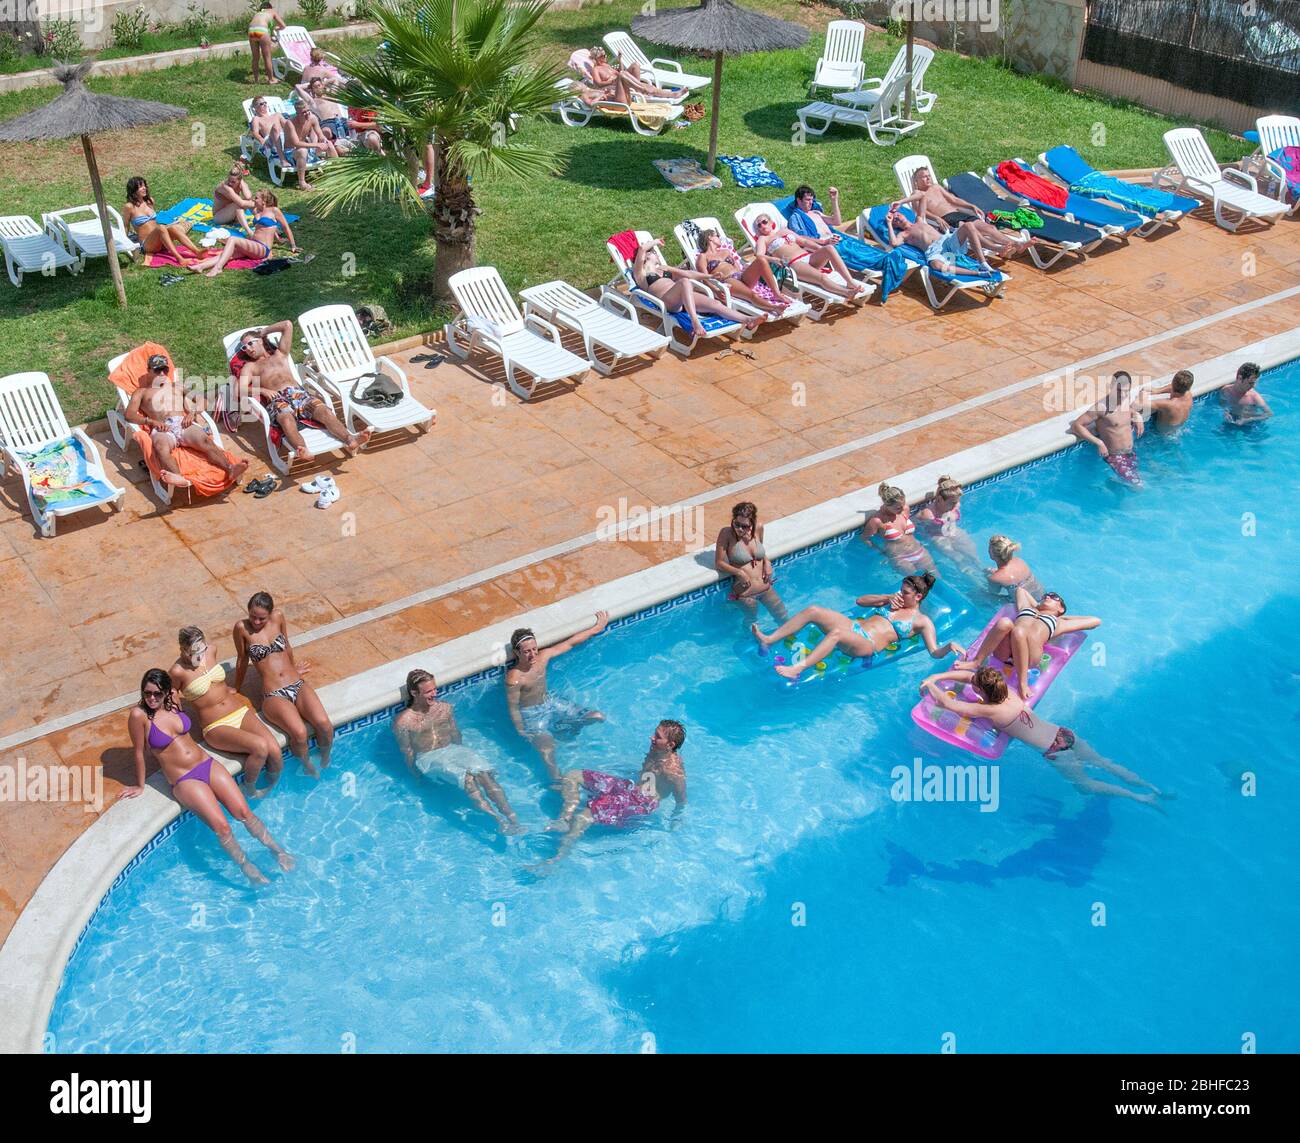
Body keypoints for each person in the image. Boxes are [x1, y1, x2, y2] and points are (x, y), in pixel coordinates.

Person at [126, 669, 294, 884]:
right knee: (222, 827)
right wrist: (139, 785)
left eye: (157, 694)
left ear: (167, 692)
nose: (151, 698)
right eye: (147, 693)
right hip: (185, 778)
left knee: (244, 812)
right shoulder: (139, 715)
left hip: (206, 764)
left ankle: (278, 851)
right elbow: (139, 751)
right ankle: (247, 867)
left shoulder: (174, 701)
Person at [919, 666, 1164, 805]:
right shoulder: (1011, 692)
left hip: (1055, 751)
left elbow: (950, 706)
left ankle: (1139, 797)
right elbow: (973, 675)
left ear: (982, 690)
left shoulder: (990, 709)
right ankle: (1150, 786)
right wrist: (941, 676)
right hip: (1064, 733)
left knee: (1085, 786)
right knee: (1103, 763)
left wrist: (932, 683)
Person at [750, 572, 962, 681]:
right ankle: (769, 639)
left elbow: (934, 652)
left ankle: (797, 669)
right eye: (900, 589)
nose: (900, 593)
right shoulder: (893, 600)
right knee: (814, 610)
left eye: (905, 592)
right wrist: (886, 598)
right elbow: (860, 601)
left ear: (918, 597)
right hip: (855, 626)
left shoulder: (922, 621)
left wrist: (948, 646)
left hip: (867, 645)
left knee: (837, 633)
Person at [535, 720, 688, 867]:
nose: (652, 737)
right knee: (573, 775)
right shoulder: (656, 750)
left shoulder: (673, 772)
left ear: (670, 745)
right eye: (654, 733)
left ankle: (556, 860)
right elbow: (647, 775)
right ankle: (563, 819)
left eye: (657, 736)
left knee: (582, 817)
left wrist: (674, 823)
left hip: (640, 803)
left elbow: (681, 800)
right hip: (628, 787)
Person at [393, 669, 525, 835]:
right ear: (414, 693)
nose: (434, 694)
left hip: (452, 749)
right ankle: (498, 821)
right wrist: (416, 776)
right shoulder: (403, 722)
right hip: (428, 758)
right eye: (428, 691)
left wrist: (464, 756)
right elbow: (407, 751)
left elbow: (455, 733)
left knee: (483, 773)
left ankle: (512, 818)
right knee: (468, 779)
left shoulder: (445, 709)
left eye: (434, 689)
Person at [230, 319, 371, 460]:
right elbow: (238, 390)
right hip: (277, 399)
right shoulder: (250, 367)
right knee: (286, 420)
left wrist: (264, 332)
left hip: (298, 394)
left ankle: (350, 440)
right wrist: (263, 391)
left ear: (260, 341)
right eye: (244, 348)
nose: (248, 349)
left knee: (324, 411)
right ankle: (303, 450)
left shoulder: (280, 354)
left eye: (250, 343)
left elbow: (287, 325)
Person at [169, 626, 284, 796]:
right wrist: (178, 727)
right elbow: (173, 700)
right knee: (260, 748)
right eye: (192, 653)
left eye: (201, 649)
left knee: (275, 751)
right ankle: (249, 790)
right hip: (216, 725)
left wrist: (231, 689)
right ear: (182, 650)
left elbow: (216, 683)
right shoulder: (177, 672)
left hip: (238, 711)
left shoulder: (211, 651)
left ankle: (276, 789)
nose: (199, 656)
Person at [233, 592, 334, 777]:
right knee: (300, 733)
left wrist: (293, 668)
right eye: (252, 616)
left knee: (325, 725)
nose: (255, 622)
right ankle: (305, 766)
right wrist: (236, 687)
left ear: (270, 613)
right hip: (274, 694)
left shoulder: (278, 616)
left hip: (296, 683)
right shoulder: (241, 628)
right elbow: (241, 660)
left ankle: (326, 760)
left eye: (261, 618)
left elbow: (286, 645)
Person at [505, 616, 608, 783]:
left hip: (550, 702)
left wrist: (596, 628)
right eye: (526, 651)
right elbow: (513, 706)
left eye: (534, 649)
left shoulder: (542, 657)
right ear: (517, 653)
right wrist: (520, 729)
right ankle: (557, 780)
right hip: (532, 714)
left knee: (596, 716)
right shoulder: (515, 678)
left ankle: (565, 728)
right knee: (547, 748)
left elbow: (570, 643)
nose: (532, 655)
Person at [123, 353, 248, 489]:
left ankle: (230, 469)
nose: (162, 373)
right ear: (149, 371)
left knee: (204, 440)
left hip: (183, 423)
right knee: (161, 447)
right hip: (161, 427)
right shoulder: (141, 392)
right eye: (157, 370)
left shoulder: (177, 386)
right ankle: (179, 477)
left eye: (165, 369)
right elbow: (129, 415)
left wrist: (192, 412)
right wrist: (151, 422)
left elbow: (202, 400)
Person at [956, 586, 1099, 700]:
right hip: (1004, 652)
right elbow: (1020, 590)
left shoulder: (1059, 623)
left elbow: (1095, 621)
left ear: (1061, 608)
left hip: (1029, 657)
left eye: (1054, 597)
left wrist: (1062, 616)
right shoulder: (1027, 608)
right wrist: (1038, 605)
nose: (1048, 596)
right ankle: (976, 661)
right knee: (1005, 623)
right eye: (1046, 595)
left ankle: (1022, 682)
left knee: (1019, 631)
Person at [631, 237, 762, 339]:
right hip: (668, 301)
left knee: (715, 303)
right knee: (685, 282)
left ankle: (748, 320)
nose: (656, 254)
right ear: (646, 257)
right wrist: (655, 242)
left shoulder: (664, 268)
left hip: (683, 297)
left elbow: (689, 274)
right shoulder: (641, 273)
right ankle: (695, 321)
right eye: (653, 252)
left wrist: (710, 276)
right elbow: (642, 249)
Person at [899, 169, 1036, 261]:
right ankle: (1006, 247)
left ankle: (1016, 245)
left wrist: (971, 206)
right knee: (975, 232)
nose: (928, 178)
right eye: (924, 177)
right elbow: (919, 213)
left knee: (990, 229)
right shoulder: (916, 195)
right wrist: (936, 218)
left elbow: (954, 200)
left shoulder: (936, 187)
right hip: (947, 219)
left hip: (958, 214)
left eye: (929, 176)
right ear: (916, 180)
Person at [751, 212, 871, 302]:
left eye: (764, 221)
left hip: (808, 257)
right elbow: (759, 255)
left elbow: (804, 241)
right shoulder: (763, 239)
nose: (762, 225)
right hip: (795, 264)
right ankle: (846, 292)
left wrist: (821, 248)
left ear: (771, 222)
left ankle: (850, 282)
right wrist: (774, 259)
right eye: (759, 225)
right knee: (821, 277)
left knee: (830, 248)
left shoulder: (784, 230)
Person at [188, 189, 297, 277]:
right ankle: (201, 266)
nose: (254, 199)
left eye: (257, 198)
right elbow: (240, 207)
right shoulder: (257, 210)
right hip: (252, 244)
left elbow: (286, 227)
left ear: (263, 201)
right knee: (227, 254)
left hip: (262, 248)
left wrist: (293, 245)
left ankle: (218, 268)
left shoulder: (274, 211)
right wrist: (249, 229)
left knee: (232, 239)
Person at [714, 500, 787, 623]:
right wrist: (739, 573)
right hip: (745, 593)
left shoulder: (759, 528)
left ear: (753, 523)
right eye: (737, 524)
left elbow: (759, 552)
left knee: (783, 615)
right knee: (752, 621)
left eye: (745, 526)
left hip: (765, 588)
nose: (740, 529)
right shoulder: (726, 534)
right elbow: (719, 563)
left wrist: (767, 562)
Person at [1070, 370, 1145, 485]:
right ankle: (1110, 485)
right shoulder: (1101, 407)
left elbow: (1129, 412)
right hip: (1115, 456)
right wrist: (1099, 442)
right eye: (1119, 391)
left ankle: (1113, 484)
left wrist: (1136, 415)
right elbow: (1077, 425)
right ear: (1112, 386)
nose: (1123, 395)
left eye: (1127, 391)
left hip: (1130, 453)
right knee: (1138, 486)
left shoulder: (1125, 400)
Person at [693, 229, 791, 316]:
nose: (720, 238)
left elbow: (737, 267)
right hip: (729, 281)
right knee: (753, 295)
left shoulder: (726, 251)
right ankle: (774, 308)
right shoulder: (703, 257)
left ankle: (776, 293)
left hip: (740, 275)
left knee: (761, 259)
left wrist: (750, 270)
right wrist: (716, 290)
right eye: (717, 236)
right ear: (710, 238)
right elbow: (705, 278)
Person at [884, 202, 995, 273]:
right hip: (934, 251)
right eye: (895, 220)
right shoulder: (904, 235)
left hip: (946, 242)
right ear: (895, 225)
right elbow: (894, 243)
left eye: (898, 215)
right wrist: (889, 223)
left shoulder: (919, 220)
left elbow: (922, 195)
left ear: (903, 214)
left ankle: (983, 263)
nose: (897, 218)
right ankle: (977, 273)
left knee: (968, 225)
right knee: (936, 265)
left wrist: (901, 202)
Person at [123, 176, 202, 261]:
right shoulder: (129, 207)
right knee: (161, 227)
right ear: (133, 190)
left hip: (159, 239)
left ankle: (197, 252)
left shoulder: (149, 201)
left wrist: (169, 227)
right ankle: (179, 259)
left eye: (144, 186)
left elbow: (153, 222)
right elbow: (126, 226)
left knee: (173, 228)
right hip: (147, 244)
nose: (144, 188)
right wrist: (124, 242)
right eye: (141, 186)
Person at [294, 77, 382, 153]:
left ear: (322, 85)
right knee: (326, 132)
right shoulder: (312, 101)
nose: (318, 88)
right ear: (312, 89)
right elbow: (298, 87)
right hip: (328, 122)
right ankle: (328, 148)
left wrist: (322, 82)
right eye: (315, 87)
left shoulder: (332, 95)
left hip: (342, 120)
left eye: (319, 85)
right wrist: (310, 85)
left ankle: (361, 146)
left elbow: (334, 80)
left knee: (355, 129)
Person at [862, 482, 935, 573]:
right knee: (917, 584)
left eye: (903, 505)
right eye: (898, 508)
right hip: (900, 558)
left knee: (936, 579)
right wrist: (880, 551)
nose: (901, 509)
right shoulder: (877, 521)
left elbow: (907, 531)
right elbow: (864, 539)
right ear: (886, 505)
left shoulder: (905, 509)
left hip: (919, 551)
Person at [915, 475, 980, 569]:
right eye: (952, 503)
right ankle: (969, 574)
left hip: (954, 531)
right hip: (938, 537)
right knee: (958, 559)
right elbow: (915, 526)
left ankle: (979, 566)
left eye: (957, 501)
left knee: (972, 552)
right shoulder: (928, 515)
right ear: (940, 499)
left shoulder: (955, 504)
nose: (955, 505)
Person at [247, 96, 301, 187]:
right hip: (271, 141)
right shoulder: (257, 119)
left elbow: (288, 126)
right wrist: (262, 141)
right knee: (276, 127)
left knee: (291, 122)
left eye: (265, 103)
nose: (264, 105)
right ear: (255, 107)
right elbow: (255, 133)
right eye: (261, 104)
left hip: (284, 138)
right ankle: (282, 159)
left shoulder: (277, 115)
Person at [984, 534, 1044, 599]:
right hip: (1041, 595)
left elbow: (993, 594)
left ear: (992, 554)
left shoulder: (995, 578)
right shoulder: (1020, 561)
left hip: (1026, 606)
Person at [247, 2, 285, 85]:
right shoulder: (272, 11)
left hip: (251, 31)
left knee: (255, 57)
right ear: (270, 7)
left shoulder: (258, 13)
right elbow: (283, 25)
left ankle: (256, 79)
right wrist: (277, 28)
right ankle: (271, 79)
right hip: (262, 30)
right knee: (267, 57)